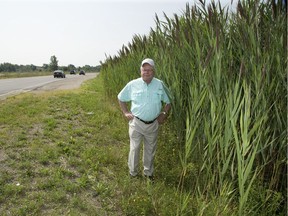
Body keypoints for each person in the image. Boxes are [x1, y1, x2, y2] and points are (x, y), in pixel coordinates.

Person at [117, 58, 171, 180]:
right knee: (134, 148)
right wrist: (125, 112)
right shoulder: (132, 84)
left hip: (153, 124)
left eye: (149, 70)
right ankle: (133, 173)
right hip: (136, 123)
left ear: (153, 71)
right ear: (140, 70)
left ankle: (148, 174)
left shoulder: (160, 84)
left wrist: (163, 113)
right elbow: (120, 97)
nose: (147, 72)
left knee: (150, 150)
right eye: (144, 70)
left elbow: (168, 102)